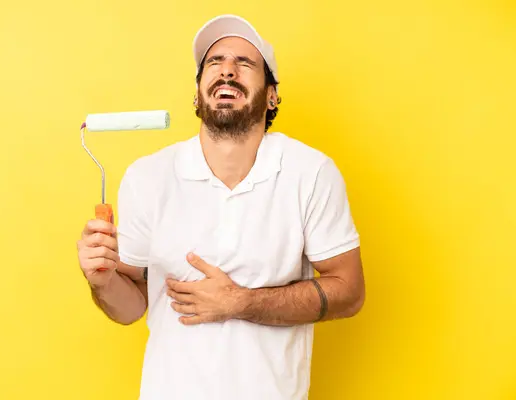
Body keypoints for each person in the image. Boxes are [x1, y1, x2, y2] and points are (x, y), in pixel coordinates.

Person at [76, 14, 365, 400]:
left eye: (244, 63)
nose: (227, 71)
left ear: (272, 95)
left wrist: (240, 302)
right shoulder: (147, 177)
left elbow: (350, 292)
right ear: (197, 94)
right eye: (214, 62)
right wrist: (102, 280)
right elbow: (129, 308)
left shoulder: (310, 173)